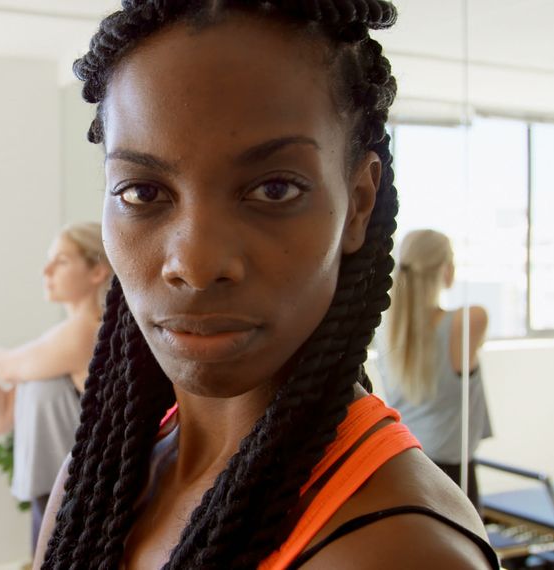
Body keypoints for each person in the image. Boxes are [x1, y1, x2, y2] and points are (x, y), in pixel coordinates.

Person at [34, 1, 500, 569]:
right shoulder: (94, 481)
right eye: (142, 192)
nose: (196, 263)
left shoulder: (398, 552)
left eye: (275, 189)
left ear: (357, 205)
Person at [0, 222, 111, 556]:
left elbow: (8, 365)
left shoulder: (87, 332)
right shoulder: (53, 344)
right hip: (48, 499)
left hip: (82, 504)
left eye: (61, 261)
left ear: (97, 271)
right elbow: (1, 418)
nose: (45, 270)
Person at [379, 229, 493, 512]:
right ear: (445, 269)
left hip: (405, 464)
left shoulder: (388, 332)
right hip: (450, 474)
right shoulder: (467, 321)